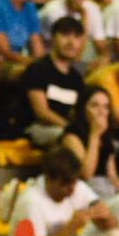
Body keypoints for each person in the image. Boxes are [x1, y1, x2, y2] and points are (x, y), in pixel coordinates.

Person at [18, 15, 88, 147]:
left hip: (64, 128)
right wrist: (70, 128)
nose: (71, 42)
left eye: (77, 37)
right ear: (53, 38)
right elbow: (42, 113)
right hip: (36, 128)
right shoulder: (38, 69)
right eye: (65, 35)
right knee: (71, 138)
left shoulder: (76, 78)